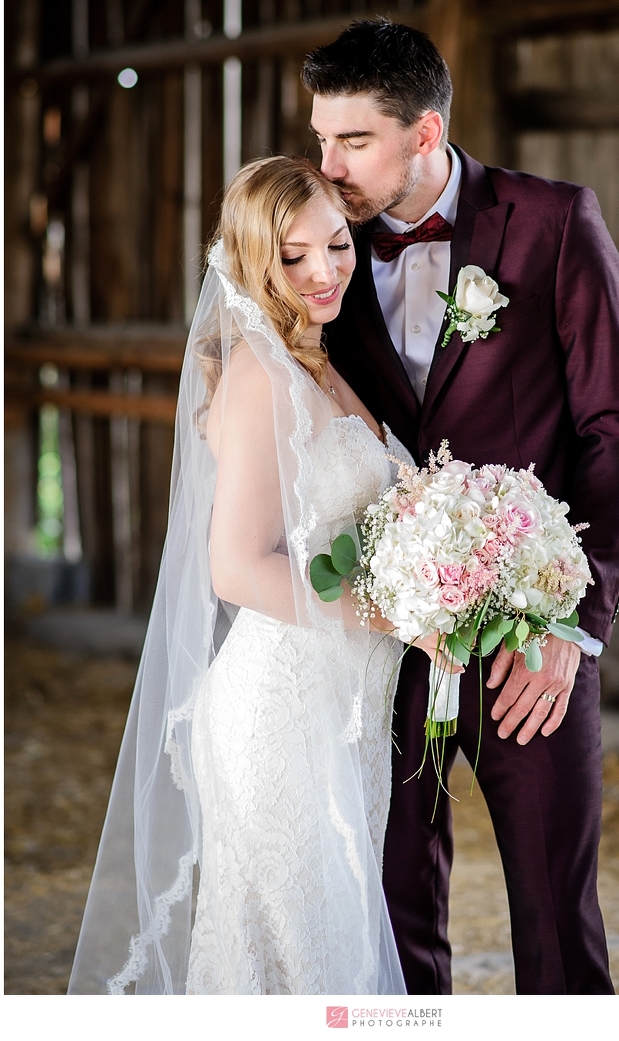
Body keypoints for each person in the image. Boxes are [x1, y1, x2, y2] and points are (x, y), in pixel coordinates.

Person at [302, 19, 619, 995]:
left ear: (424, 133)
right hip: (381, 641)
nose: (325, 165)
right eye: (320, 138)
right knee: (395, 925)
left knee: (555, 923)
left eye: (352, 141)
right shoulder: (318, 253)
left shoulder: (553, 223)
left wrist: (574, 628)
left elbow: (614, 433)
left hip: (529, 641)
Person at [67, 156, 451, 995]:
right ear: (251, 259)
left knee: (318, 960)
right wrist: (401, 613)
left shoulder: (318, 357)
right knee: (310, 970)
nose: (324, 271)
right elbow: (237, 567)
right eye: (292, 256)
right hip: (278, 718)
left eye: (338, 245)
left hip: (343, 716)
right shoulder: (257, 376)